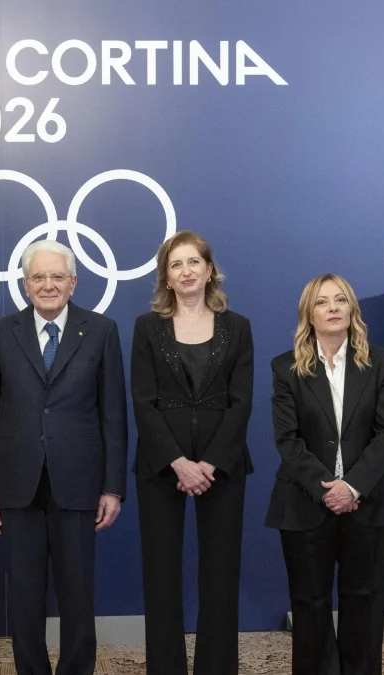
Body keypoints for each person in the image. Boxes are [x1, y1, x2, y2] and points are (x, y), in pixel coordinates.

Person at [0, 240, 127, 675]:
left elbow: (113, 414)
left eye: (57, 277)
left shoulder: (101, 331)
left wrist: (113, 486)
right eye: (38, 277)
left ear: (73, 283)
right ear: (24, 285)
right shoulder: (1, 333)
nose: (48, 285)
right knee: (24, 596)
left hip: (79, 485)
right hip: (15, 486)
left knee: (78, 594)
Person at [265, 273, 384, 675]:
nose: (332, 308)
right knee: (309, 604)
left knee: (363, 600)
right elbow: (287, 438)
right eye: (322, 302)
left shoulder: (380, 362)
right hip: (305, 502)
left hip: (370, 501)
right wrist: (326, 488)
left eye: (340, 300)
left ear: (352, 310)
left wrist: (353, 486)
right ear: (308, 314)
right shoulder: (285, 368)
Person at [129, 231, 252, 675]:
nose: (186, 271)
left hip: (224, 465)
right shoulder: (148, 327)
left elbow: (242, 402)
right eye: (176, 264)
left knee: (220, 577)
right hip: (163, 465)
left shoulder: (238, 326)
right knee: (161, 577)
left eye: (193, 262)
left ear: (210, 270)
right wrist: (179, 462)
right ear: (166, 276)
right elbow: (143, 401)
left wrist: (211, 463)